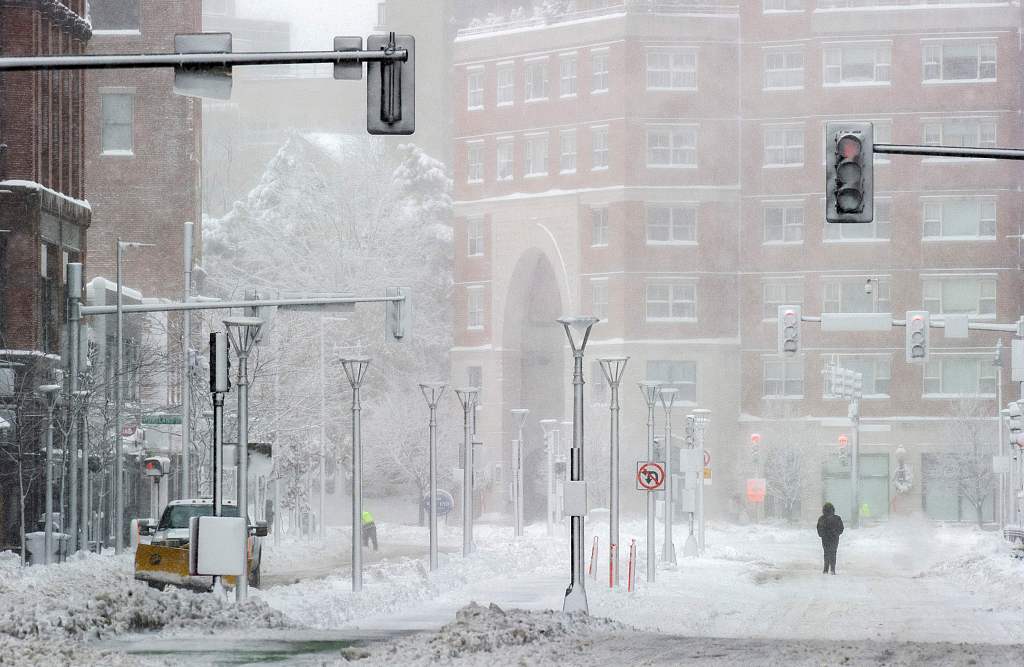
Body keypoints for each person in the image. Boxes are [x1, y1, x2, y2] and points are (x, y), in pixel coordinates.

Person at [816, 502, 844, 575]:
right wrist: (836, 533)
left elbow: (819, 528)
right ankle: (832, 569)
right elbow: (841, 528)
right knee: (833, 553)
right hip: (834, 538)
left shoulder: (822, 518)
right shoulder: (837, 518)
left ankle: (825, 569)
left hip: (825, 539)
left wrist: (822, 535)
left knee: (826, 553)